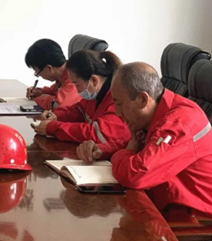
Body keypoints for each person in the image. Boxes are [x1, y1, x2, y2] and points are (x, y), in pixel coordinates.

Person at [77, 63, 212, 215]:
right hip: (162, 205)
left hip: (195, 220)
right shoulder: (157, 111)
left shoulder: (179, 124)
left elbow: (136, 175)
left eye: (119, 104)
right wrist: (102, 150)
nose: (117, 112)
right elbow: (139, 143)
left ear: (142, 99)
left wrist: (121, 154)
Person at [34, 50, 130, 146]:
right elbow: (79, 110)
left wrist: (53, 128)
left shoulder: (118, 101)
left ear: (94, 80)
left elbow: (99, 134)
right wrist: (56, 116)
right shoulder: (96, 94)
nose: (77, 90)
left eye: (77, 85)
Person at [24, 39, 79, 110]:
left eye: (37, 73)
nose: (39, 76)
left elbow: (57, 104)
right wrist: (41, 91)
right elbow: (55, 91)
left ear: (49, 68)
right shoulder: (63, 74)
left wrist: (37, 98)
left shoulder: (74, 79)